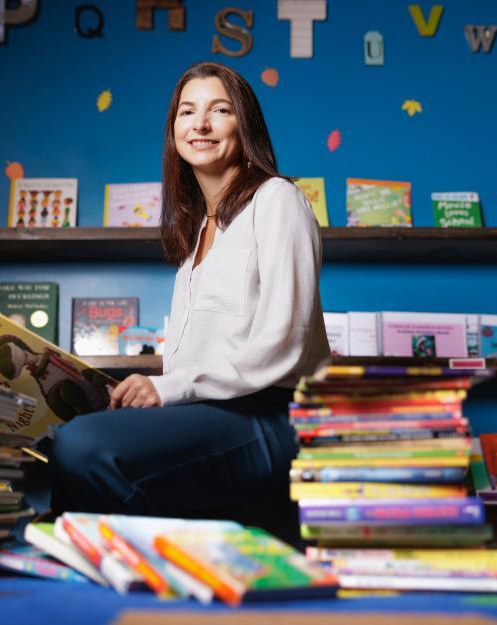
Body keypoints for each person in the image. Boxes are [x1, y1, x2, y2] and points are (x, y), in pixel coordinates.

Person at [49, 62, 330, 517]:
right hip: (210, 413)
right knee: (70, 433)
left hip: (274, 417)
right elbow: (189, 365)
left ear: (246, 125)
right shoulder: (196, 232)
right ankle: (81, 563)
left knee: (82, 444)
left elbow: (285, 341)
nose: (200, 124)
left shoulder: (278, 199)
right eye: (186, 112)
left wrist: (168, 388)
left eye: (219, 110)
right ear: (173, 129)